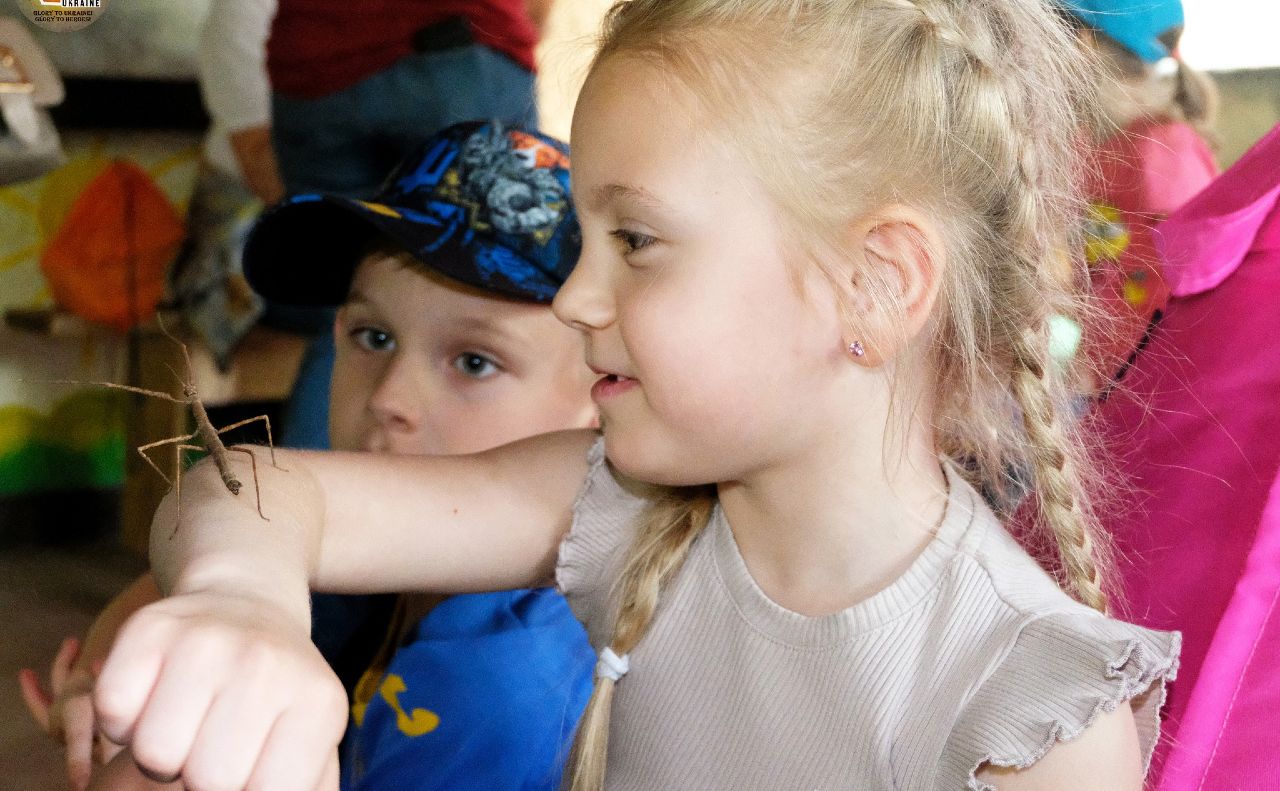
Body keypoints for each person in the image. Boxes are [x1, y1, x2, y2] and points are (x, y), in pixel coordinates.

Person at [91, 2, 1181, 789]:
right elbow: (248, 486)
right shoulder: (619, 508)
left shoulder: (1031, 714)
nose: (574, 298)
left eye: (636, 241)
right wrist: (241, 600)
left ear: (876, 284)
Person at [20, 122, 596, 791]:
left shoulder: (505, 692)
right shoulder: (368, 560)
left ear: (602, 397)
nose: (389, 398)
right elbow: (171, 586)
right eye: (373, 336)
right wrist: (103, 681)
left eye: (474, 361)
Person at [1060, 0, 1219, 383]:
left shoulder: (1163, 153)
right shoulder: (1093, 147)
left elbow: (1200, 294)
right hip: (1107, 384)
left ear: (1082, 45)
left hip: (1161, 389)